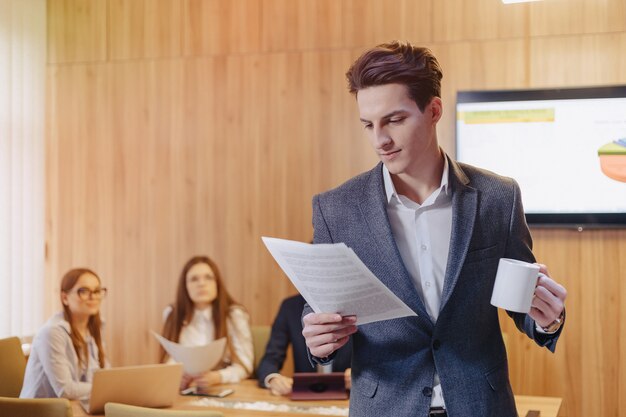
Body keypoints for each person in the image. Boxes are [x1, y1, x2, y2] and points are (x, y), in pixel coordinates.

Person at [301, 41, 567, 417]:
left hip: (481, 405)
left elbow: (520, 302)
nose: (380, 140)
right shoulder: (335, 209)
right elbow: (322, 308)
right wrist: (318, 339)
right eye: (368, 124)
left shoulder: (498, 197)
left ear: (434, 110)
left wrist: (546, 318)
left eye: (394, 120)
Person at [160, 255, 253, 392]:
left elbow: (245, 366)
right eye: (194, 279)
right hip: (184, 392)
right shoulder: (172, 314)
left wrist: (219, 377)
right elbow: (169, 360)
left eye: (208, 277)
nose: (201, 283)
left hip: (223, 390)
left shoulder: (234, 315)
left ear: (217, 283)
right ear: (185, 286)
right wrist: (176, 376)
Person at [20, 268, 109, 399]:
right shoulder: (52, 333)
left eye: (97, 291)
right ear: (65, 297)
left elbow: (105, 374)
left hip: (72, 406)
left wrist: (112, 385)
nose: (93, 296)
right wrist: (105, 388)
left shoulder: (94, 328)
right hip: (41, 411)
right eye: (84, 291)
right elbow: (65, 390)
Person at [257, 294, 352, 396]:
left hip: (348, 397)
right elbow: (270, 358)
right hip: (304, 395)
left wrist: (359, 377)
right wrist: (273, 379)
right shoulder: (290, 306)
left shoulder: (354, 304)